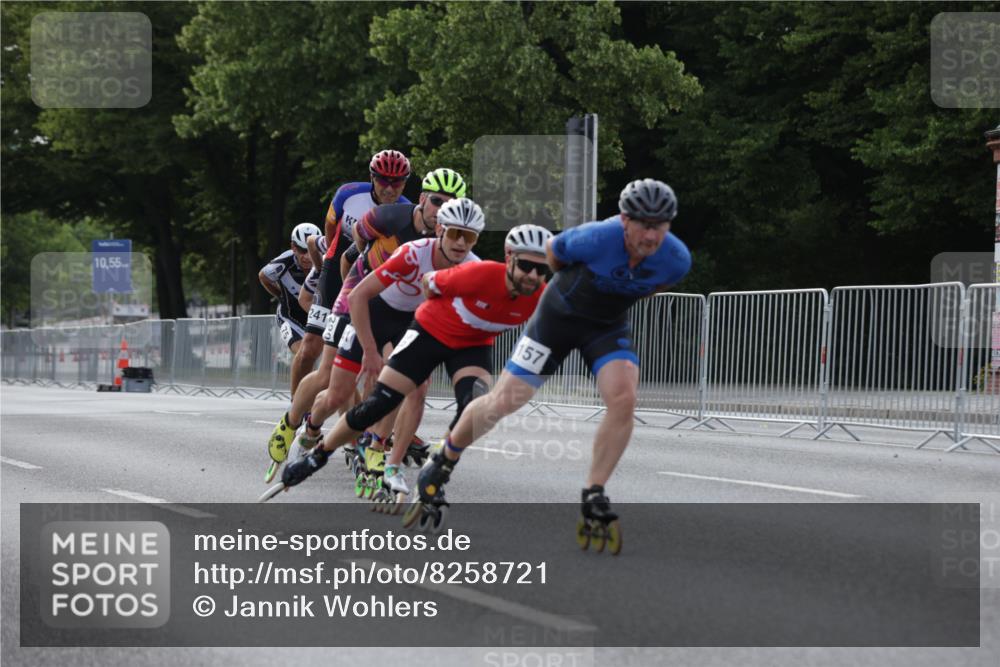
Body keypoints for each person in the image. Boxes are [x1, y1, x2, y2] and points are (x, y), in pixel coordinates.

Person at [433, 179, 691, 553]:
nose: (651, 234)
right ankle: (446, 455)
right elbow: (553, 253)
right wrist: (570, 287)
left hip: (605, 326)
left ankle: (594, 492)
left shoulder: (676, 258)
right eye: (642, 224)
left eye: (660, 225)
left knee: (624, 397)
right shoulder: (597, 238)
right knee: (505, 401)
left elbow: (659, 284)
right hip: (559, 317)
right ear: (624, 220)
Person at [275, 223, 554, 527]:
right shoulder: (478, 272)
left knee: (476, 407)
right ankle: (320, 452)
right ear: (509, 258)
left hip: (472, 345)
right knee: (377, 404)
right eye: (526, 266)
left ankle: (437, 469)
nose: (533, 276)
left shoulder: (542, 296)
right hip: (430, 332)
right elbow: (428, 284)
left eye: (542, 270)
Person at [263, 168, 467, 483]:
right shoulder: (388, 216)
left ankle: (371, 442)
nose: (442, 210)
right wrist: (351, 294)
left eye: (451, 204)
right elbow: (350, 251)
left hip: (392, 303)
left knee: (394, 377)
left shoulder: (447, 238)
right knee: (328, 377)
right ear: (423, 199)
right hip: (351, 287)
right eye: (437, 202)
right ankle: (292, 425)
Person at [327, 197, 482, 506]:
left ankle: (380, 450)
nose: (460, 243)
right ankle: (309, 426)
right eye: (454, 234)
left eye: (469, 237)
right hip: (368, 302)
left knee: (414, 385)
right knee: (331, 389)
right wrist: (369, 349)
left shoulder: (471, 265)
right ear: (438, 228)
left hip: (410, 319)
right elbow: (352, 272)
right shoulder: (405, 241)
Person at [290, 150, 411, 397]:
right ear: (372, 177)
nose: (389, 188)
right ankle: (295, 407)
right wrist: (330, 256)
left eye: (396, 182)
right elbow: (330, 225)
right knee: (310, 348)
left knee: (369, 356)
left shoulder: (406, 210)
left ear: (405, 183)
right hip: (338, 265)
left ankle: (364, 422)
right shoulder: (349, 193)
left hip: (371, 274)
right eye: (382, 180)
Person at [258, 222, 321, 356]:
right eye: (302, 251)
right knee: (303, 355)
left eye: (311, 250)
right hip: (290, 317)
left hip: (315, 316)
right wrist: (279, 295)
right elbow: (263, 276)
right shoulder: (284, 262)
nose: (307, 257)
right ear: (293, 247)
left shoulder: (326, 260)